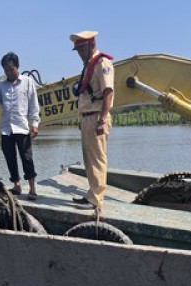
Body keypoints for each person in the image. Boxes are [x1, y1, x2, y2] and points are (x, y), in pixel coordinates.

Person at [0, 52, 41, 200]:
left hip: (22, 127)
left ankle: (32, 188)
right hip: (6, 129)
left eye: (11, 69)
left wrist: (34, 124)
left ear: (17, 67)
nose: (9, 73)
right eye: (6, 70)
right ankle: (17, 185)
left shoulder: (28, 82)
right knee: (10, 158)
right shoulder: (1, 86)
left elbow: (33, 105)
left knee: (27, 158)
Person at [69, 31, 114, 210]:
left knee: (97, 159)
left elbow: (108, 92)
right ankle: (91, 194)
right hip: (87, 117)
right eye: (77, 50)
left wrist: (103, 119)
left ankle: (96, 199)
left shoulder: (103, 63)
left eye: (81, 49)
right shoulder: (89, 65)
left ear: (90, 45)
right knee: (89, 160)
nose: (79, 53)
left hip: (96, 116)